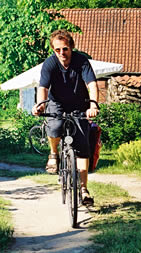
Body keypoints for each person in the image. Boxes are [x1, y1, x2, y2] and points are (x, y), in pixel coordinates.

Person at [32, 29, 99, 205]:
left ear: (72, 47)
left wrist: (93, 105)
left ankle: (84, 190)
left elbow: (92, 84)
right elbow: (43, 87)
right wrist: (40, 105)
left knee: (83, 145)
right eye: (58, 50)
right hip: (57, 103)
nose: (62, 53)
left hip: (80, 104)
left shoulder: (82, 61)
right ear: (54, 50)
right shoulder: (50, 64)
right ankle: (54, 153)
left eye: (65, 49)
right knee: (54, 127)